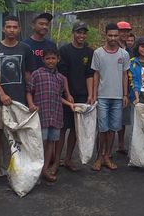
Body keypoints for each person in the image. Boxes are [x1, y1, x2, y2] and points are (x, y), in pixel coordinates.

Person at [0, 15, 35, 185]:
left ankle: (19, 169)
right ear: (3, 29)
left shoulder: (25, 49)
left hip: (20, 102)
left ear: (19, 29)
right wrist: (2, 94)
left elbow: (28, 74)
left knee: (19, 135)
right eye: (9, 27)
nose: (12, 30)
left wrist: (29, 97)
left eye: (15, 27)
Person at [26, 47, 74, 182]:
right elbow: (29, 91)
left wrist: (70, 104)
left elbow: (59, 96)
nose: (50, 61)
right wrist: (31, 104)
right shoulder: (36, 74)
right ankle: (35, 170)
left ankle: (45, 169)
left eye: (53, 58)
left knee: (51, 143)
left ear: (58, 59)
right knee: (38, 143)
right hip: (41, 116)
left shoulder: (61, 78)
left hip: (56, 115)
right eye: (47, 58)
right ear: (43, 60)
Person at [55, 22, 94, 173]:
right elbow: (62, 74)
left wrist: (90, 94)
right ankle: (57, 160)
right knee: (62, 128)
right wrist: (67, 93)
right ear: (73, 33)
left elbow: (89, 74)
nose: (81, 36)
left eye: (84, 33)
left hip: (82, 95)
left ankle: (68, 159)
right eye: (79, 32)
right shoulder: (64, 50)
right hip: (67, 95)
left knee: (76, 129)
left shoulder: (89, 52)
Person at [91, 23, 130, 171]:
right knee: (102, 129)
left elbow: (125, 75)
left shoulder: (124, 54)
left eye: (115, 35)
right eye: (110, 35)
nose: (113, 38)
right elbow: (96, 74)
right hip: (102, 97)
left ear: (119, 35)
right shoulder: (98, 53)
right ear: (105, 35)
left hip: (118, 97)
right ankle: (99, 157)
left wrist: (125, 94)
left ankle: (107, 156)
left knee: (113, 128)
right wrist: (94, 95)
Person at [116, 20, 134, 155]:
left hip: (126, 88)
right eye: (122, 31)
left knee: (123, 119)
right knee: (109, 120)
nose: (124, 34)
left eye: (127, 31)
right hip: (112, 87)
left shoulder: (129, 50)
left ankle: (121, 144)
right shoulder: (111, 47)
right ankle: (104, 150)